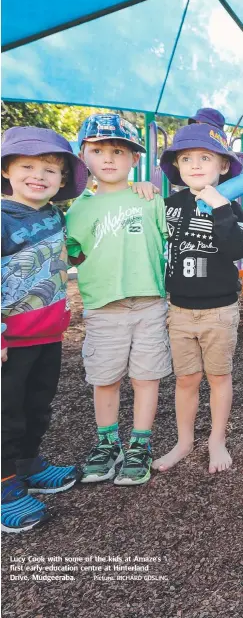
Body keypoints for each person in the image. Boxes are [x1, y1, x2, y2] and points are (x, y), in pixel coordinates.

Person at [66, 113, 171, 486]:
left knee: (146, 377)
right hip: (102, 306)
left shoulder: (151, 198)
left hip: (148, 305)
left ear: (134, 159)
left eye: (118, 151)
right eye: (98, 150)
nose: (108, 158)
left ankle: (140, 445)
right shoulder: (77, 210)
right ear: (84, 155)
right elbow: (71, 255)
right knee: (105, 378)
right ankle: (107, 443)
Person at [1, 126, 87, 532]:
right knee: (6, 414)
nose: (39, 175)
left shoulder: (54, 215)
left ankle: (28, 464)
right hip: (9, 339)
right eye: (28, 166)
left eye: (51, 169)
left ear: (63, 180)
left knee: (38, 405)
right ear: (7, 170)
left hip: (47, 332)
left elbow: (74, 254)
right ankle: (4, 488)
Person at [151, 123, 243, 474]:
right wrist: (142, 189)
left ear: (223, 166)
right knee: (186, 379)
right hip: (180, 310)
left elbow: (237, 248)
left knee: (219, 377)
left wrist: (220, 208)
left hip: (219, 311)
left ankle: (216, 439)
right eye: (186, 158)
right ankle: (184, 440)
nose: (195, 164)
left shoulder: (231, 208)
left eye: (205, 157)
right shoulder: (169, 205)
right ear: (177, 166)